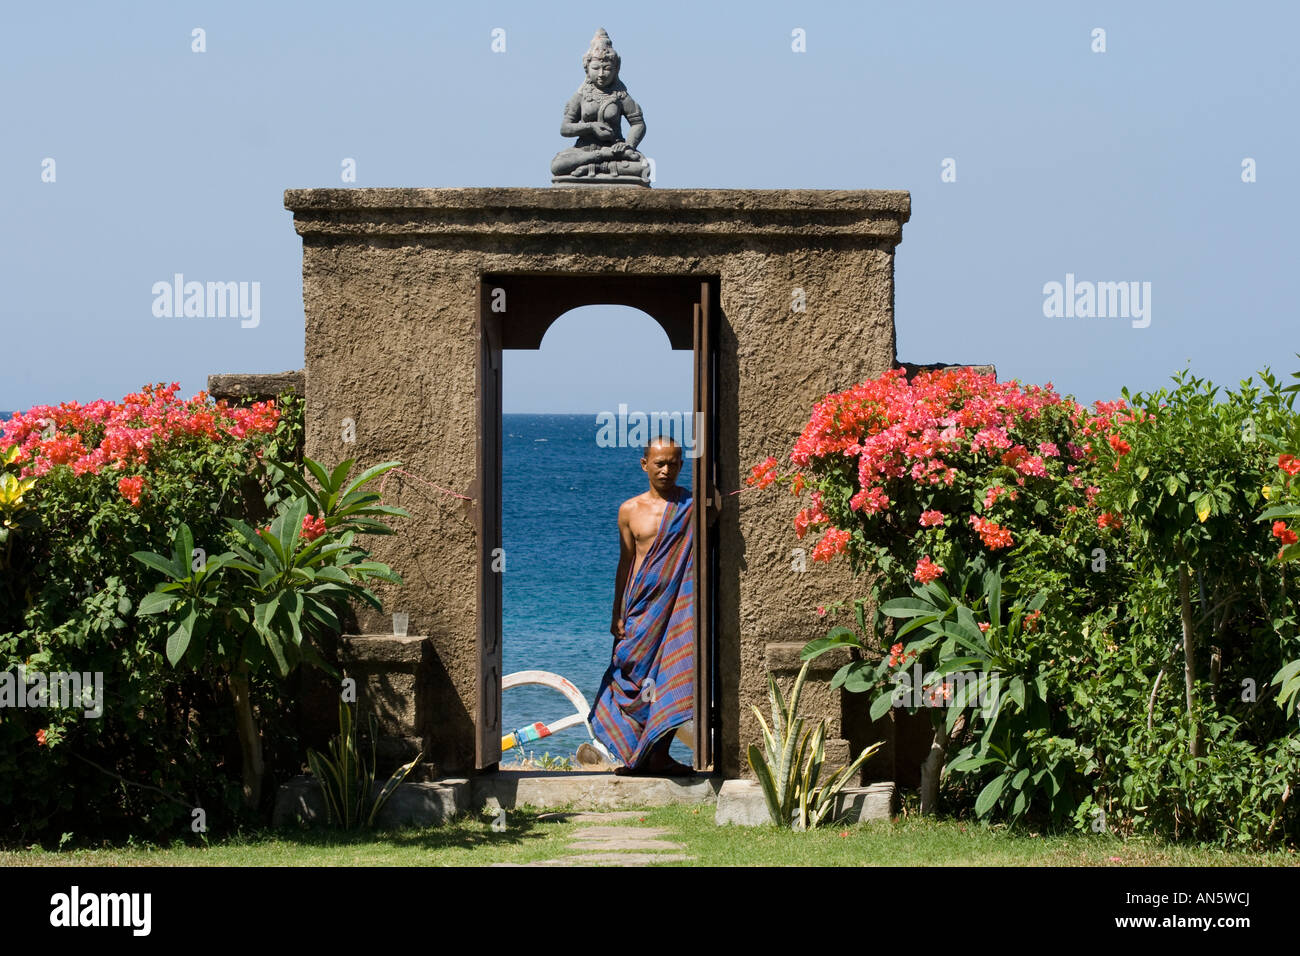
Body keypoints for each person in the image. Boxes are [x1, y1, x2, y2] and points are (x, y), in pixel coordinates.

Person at [588, 435, 694, 776]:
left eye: (673, 463)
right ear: (644, 464)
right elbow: (626, 562)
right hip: (639, 608)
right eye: (659, 463)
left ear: (681, 465)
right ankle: (636, 753)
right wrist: (616, 611)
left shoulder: (690, 506)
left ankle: (659, 755)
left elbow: (716, 514)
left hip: (675, 611)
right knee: (627, 676)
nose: (666, 470)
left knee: (669, 677)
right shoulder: (629, 510)